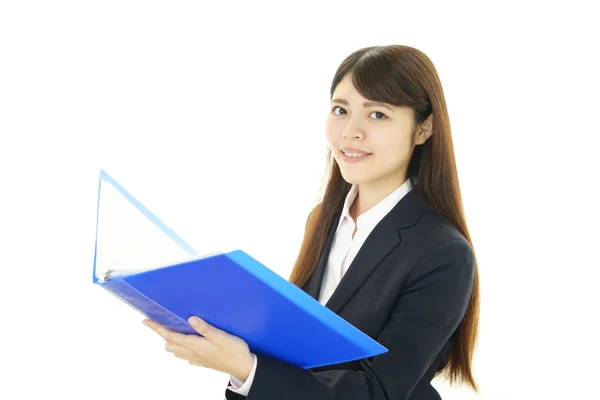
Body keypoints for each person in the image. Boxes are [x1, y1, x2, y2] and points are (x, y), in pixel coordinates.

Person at [143, 44, 480, 400]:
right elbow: (299, 352)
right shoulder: (322, 219)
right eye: (340, 110)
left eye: (377, 114)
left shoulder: (444, 253)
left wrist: (246, 368)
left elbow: (380, 391)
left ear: (424, 128)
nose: (350, 131)